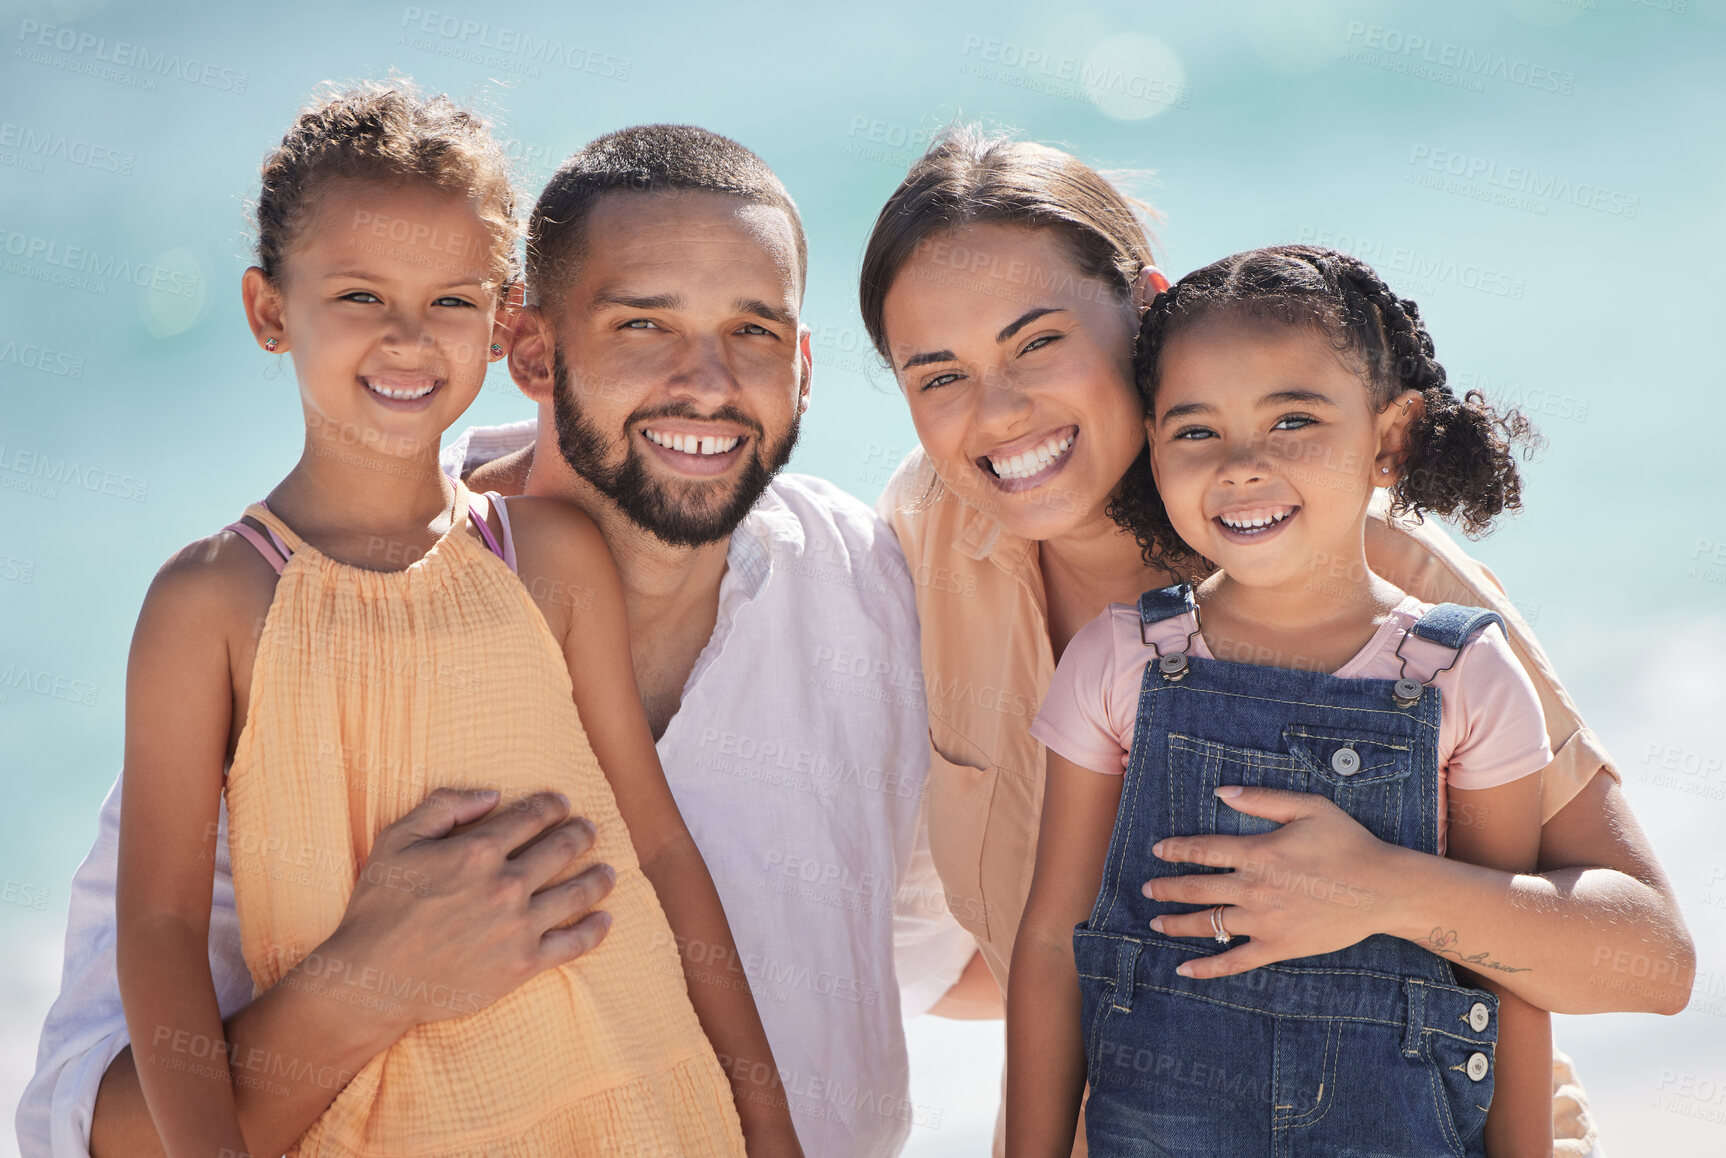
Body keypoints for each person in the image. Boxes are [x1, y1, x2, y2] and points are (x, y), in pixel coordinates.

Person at [21, 123, 978, 1158]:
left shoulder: (868, 588)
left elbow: (960, 935)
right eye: (642, 325)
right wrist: (367, 983)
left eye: (751, 331)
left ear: (800, 365)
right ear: (527, 347)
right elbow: (86, 1126)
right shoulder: (243, 622)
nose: (705, 381)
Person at [862, 127, 1695, 1156]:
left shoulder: (1381, 573)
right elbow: (1040, 942)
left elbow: (1651, 960)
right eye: (936, 373)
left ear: (1141, 308)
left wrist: (1387, 892)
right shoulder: (925, 527)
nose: (995, 412)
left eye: (1037, 342)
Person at [112, 82, 798, 1158]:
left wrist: (765, 1121)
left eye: (448, 302)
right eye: (358, 298)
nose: (407, 339)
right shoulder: (211, 602)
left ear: (502, 324)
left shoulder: (548, 556)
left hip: (641, 1105)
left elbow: (658, 848)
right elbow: (156, 931)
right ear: (267, 311)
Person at [1011, 244, 1554, 1156]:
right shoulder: (1120, 662)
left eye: (1292, 419)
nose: (1241, 465)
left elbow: (1507, 964)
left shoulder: (1467, 678)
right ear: (1152, 446)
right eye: (1195, 431)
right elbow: (1050, 946)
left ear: (1389, 438)